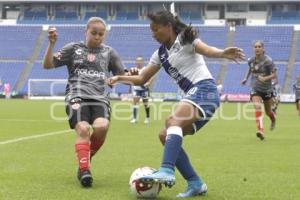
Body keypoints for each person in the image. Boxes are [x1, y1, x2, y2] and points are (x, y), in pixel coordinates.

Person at [108, 10, 245, 198]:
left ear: (168, 27)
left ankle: (166, 169)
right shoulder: (159, 54)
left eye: (156, 30)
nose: (153, 34)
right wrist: (118, 78)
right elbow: (141, 78)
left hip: (205, 90)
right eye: (152, 31)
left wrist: (222, 52)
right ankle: (195, 182)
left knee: (173, 121)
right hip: (196, 95)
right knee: (165, 135)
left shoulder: (186, 39)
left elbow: (207, 50)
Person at [43, 17, 134, 188]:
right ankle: (84, 171)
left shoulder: (110, 52)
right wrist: (51, 44)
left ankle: (86, 157)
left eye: (101, 34)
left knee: (102, 127)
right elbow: (48, 65)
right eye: (94, 33)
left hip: (99, 98)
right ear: (86, 31)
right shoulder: (72, 49)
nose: (97, 37)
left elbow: (123, 76)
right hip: (76, 95)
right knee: (83, 129)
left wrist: (132, 72)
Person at [241, 40, 277, 140]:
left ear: (263, 48)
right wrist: (245, 78)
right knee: (257, 107)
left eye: (259, 46)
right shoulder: (251, 60)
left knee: (268, 112)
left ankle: (273, 119)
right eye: (255, 47)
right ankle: (260, 130)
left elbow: (274, 75)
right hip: (255, 87)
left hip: (267, 89)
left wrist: (265, 78)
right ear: (253, 48)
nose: (257, 48)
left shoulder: (268, 61)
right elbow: (250, 68)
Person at [130, 56, 155, 124]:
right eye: (137, 61)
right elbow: (130, 78)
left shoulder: (145, 69)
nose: (139, 62)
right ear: (136, 62)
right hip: (136, 89)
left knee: (146, 104)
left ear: (142, 62)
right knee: (135, 103)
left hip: (144, 89)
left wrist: (149, 83)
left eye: (140, 61)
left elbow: (152, 76)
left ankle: (147, 118)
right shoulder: (133, 70)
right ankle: (135, 119)